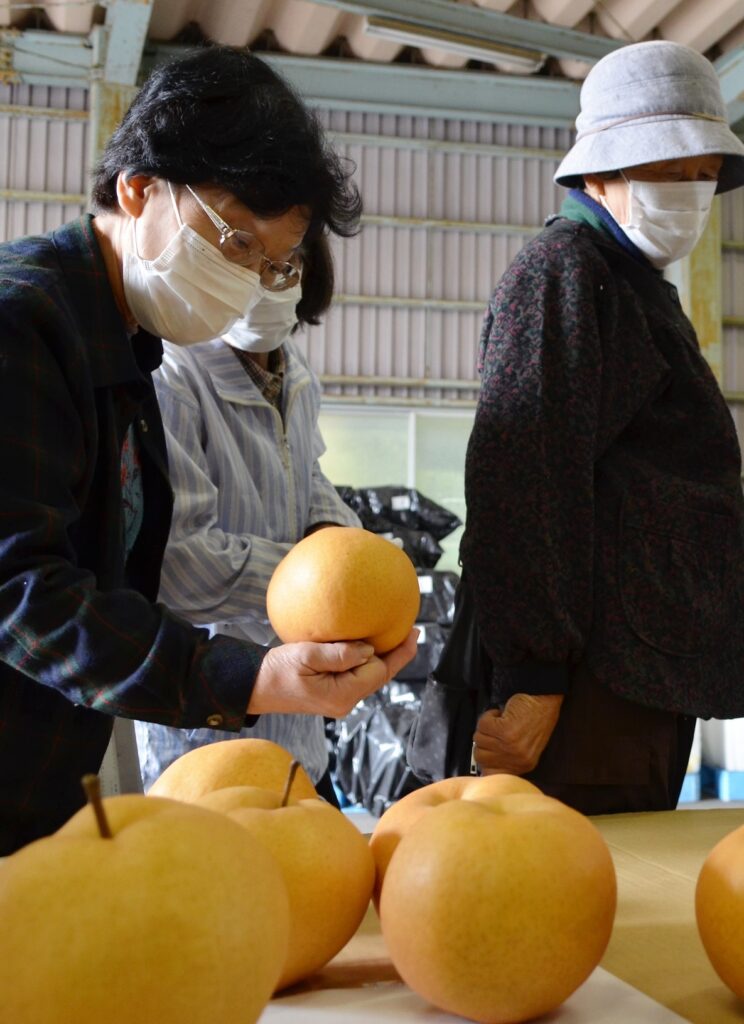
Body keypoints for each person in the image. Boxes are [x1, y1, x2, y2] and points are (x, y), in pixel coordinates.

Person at [0, 45, 416, 855]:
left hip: (46, 781)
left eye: (274, 264)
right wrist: (250, 676)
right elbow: (20, 589)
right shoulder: (25, 325)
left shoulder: (127, 352)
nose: (251, 282)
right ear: (138, 188)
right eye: (234, 244)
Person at [461, 40, 744, 814]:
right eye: (666, 171)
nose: (691, 192)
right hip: (589, 684)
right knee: (569, 896)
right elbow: (522, 479)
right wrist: (535, 676)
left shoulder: (637, 286)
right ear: (598, 173)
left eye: (703, 174)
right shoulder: (564, 271)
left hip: (644, 669)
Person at [135, 234, 360, 800]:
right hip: (202, 743)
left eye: (288, 265)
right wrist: (318, 584)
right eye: (250, 260)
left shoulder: (297, 372)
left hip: (302, 744)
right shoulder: (172, 375)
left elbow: (308, 476)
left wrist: (345, 546)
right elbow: (181, 563)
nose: (271, 280)